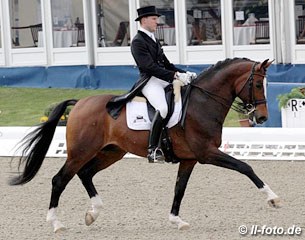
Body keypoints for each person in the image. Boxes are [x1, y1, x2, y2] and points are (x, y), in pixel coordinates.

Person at [131, 6, 197, 163]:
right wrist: (174, 75)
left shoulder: (154, 39)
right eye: (154, 19)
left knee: (188, 95)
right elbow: (149, 67)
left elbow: (166, 64)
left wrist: (184, 73)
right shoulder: (137, 42)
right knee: (163, 108)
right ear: (144, 20)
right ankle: (152, 149)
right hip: (149, 81)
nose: (157, 22)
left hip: (161, 78)